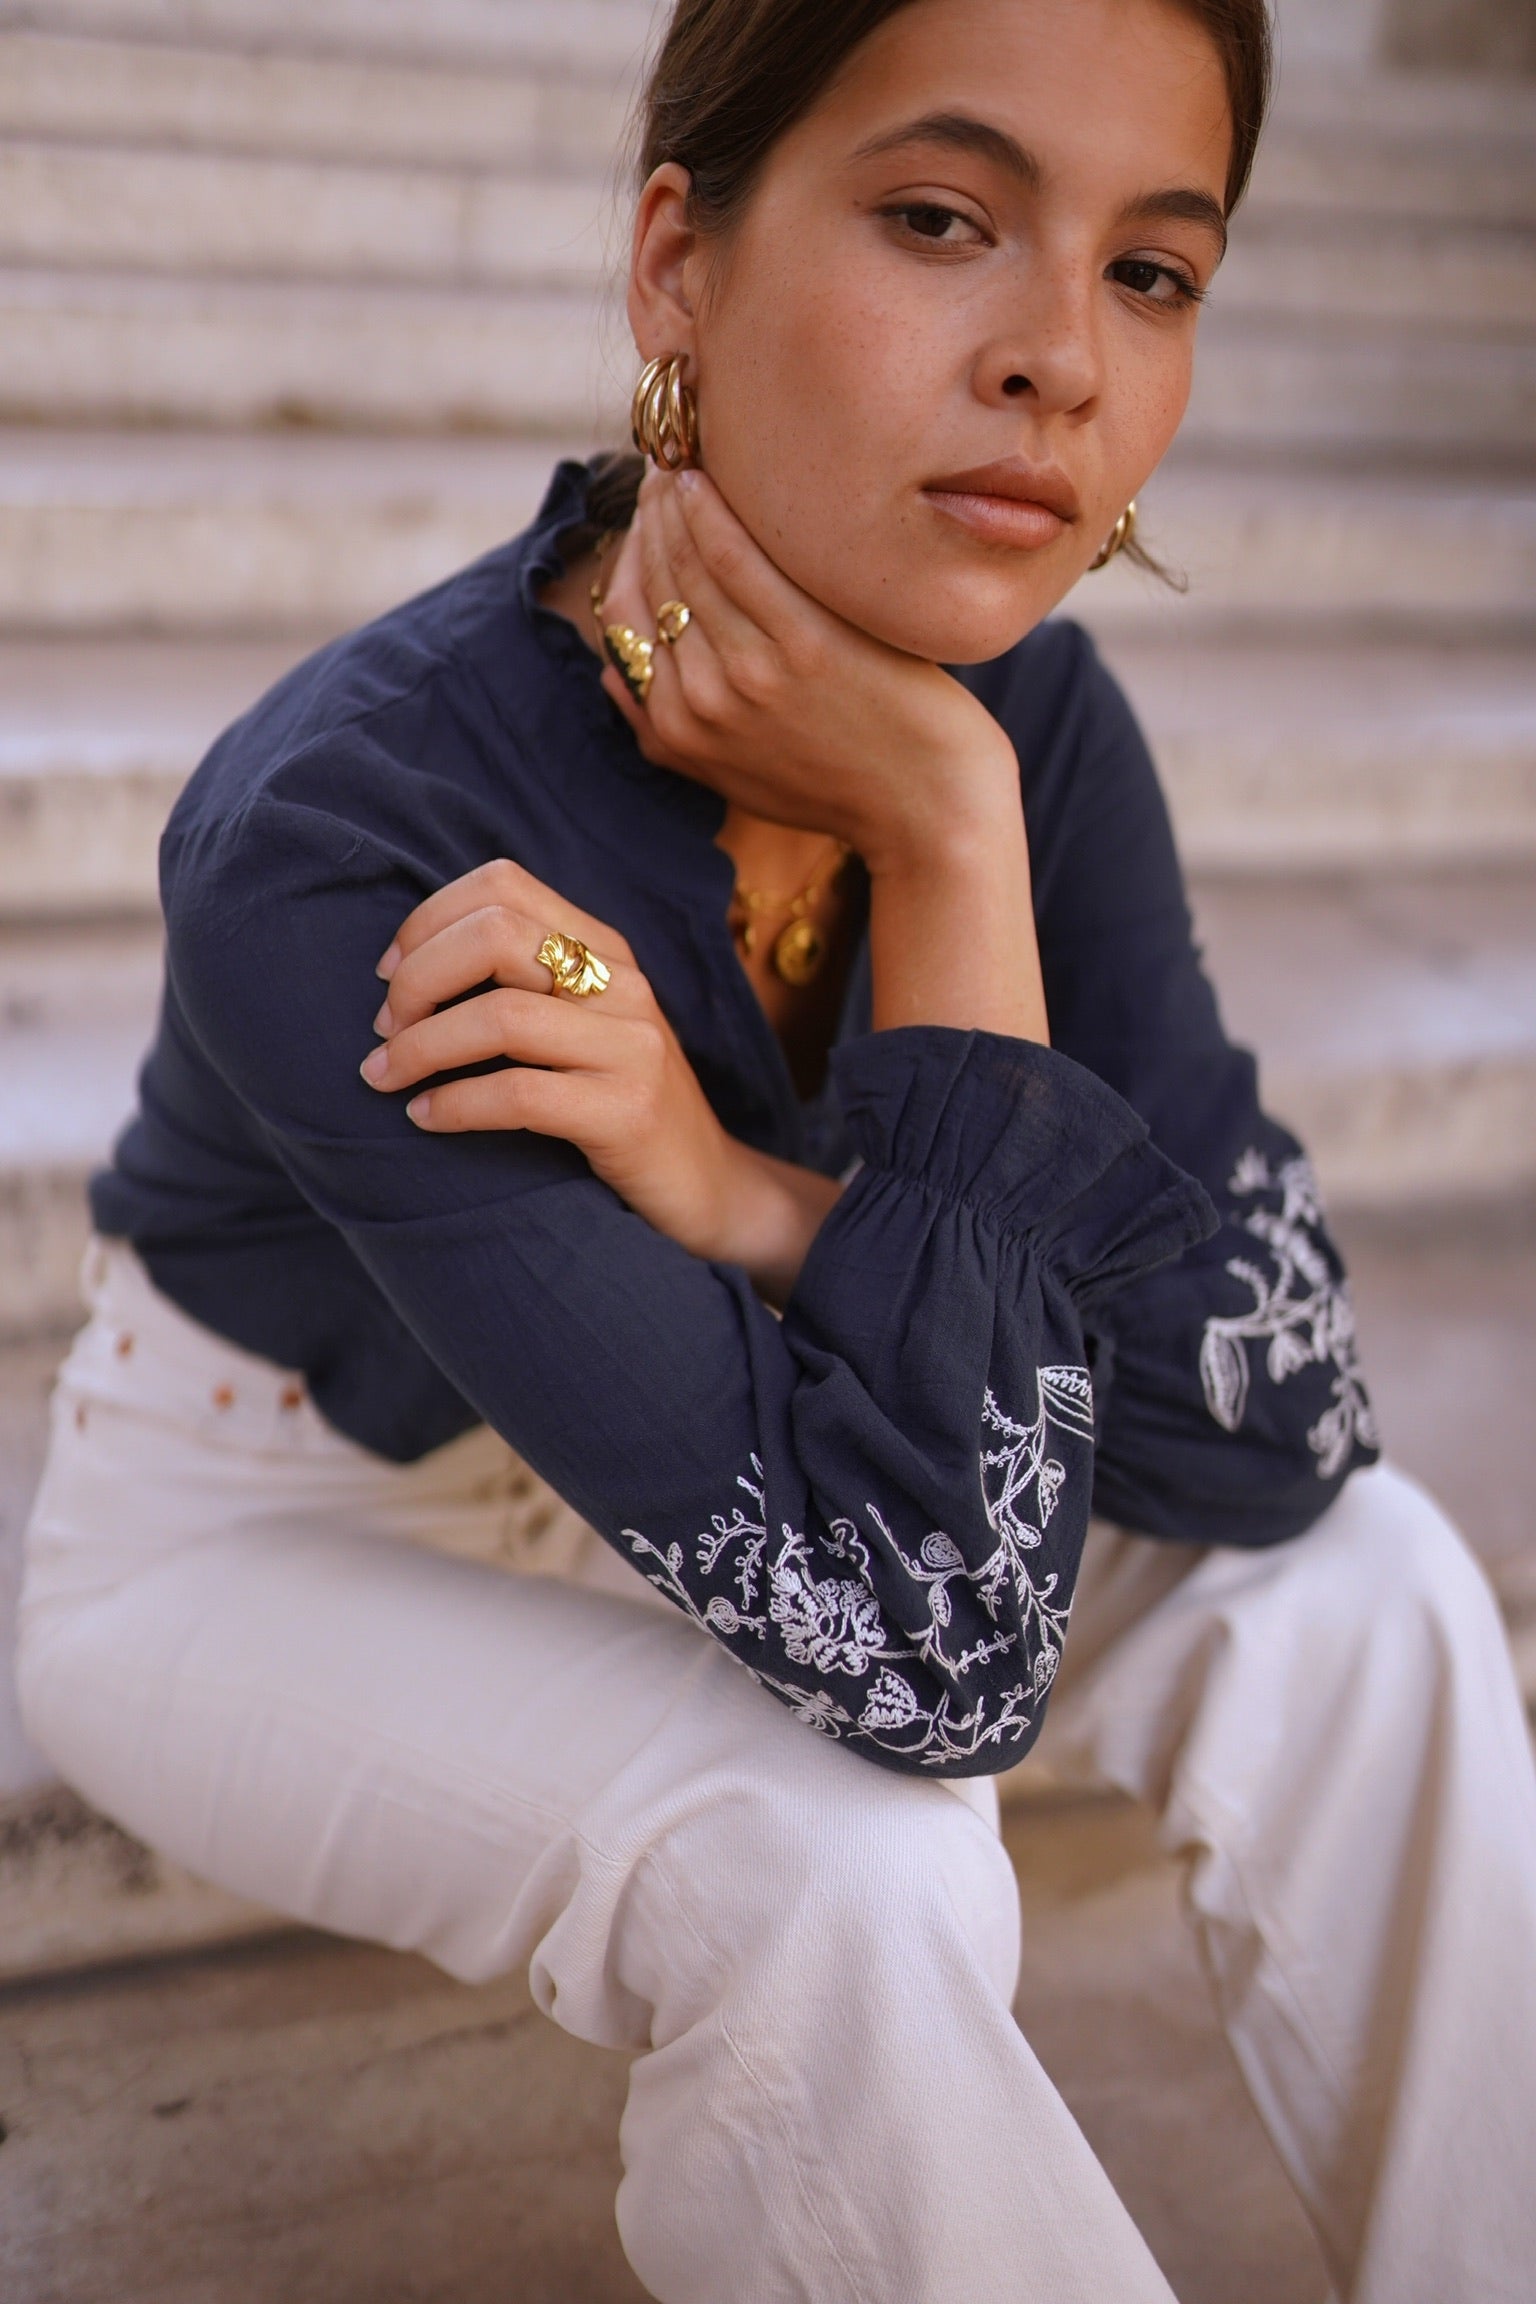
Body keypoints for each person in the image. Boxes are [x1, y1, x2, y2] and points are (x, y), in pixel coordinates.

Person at [17, 0, 1536, 2296]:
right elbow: (940, 1660)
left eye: (1151, 271)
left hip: (783, 1434)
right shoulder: (347, 832)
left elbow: (1279, 1415)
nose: (1061, 360)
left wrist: (920, 883)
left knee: (1372, 1588)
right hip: (292, 1525)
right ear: (678, 266)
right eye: (941, 220)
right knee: (842, 1853)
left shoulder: (1024, 731)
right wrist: (934, 928)